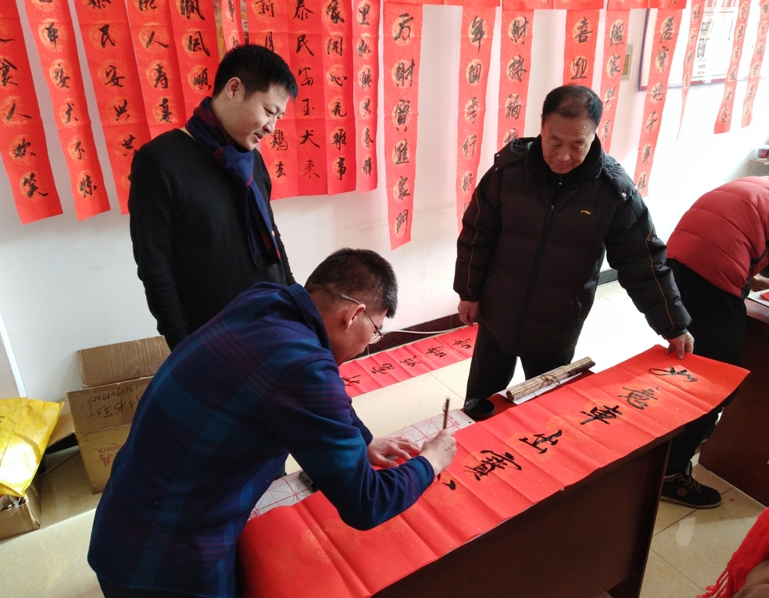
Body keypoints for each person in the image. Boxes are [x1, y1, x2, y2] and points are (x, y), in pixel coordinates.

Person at [88, 248, 457, 598]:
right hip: (165, 563)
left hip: (123, 520)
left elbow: (318, 397)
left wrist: (363, 440)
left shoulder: (264, 300)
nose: (368, 345)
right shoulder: (302, 366)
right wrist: (429, 462)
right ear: (353, 315)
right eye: (375, 330)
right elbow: (366, 502)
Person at [453, 84, 693, 414]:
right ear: (542, 126)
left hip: (557, 324)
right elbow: (477, 235)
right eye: (555, 141)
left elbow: (642, 260)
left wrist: (673, 324)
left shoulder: (613, 191)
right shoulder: (507, 173)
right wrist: (468, 292)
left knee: (544, 411)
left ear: (595, 135)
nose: (563, 156)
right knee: (479, 405)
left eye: (577, 144)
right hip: (499, 312)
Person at [129, 44, 298, 350]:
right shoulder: (160, 161)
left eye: (279, 116)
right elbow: (155, 268)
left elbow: (272, 237)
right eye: (269, 111)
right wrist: (182, 346)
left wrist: (295, 299)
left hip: (273, 322)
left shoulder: (252, 161)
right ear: (234, 89)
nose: (272, 127)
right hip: (214, 340)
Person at [662, 169, 769, 508]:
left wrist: (750, 281)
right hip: (711, 272)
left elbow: (733, 232)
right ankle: (671, 474)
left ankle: (665, 448)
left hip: (674, 261)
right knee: (717, 382)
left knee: (690, 363)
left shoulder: (766, 184)